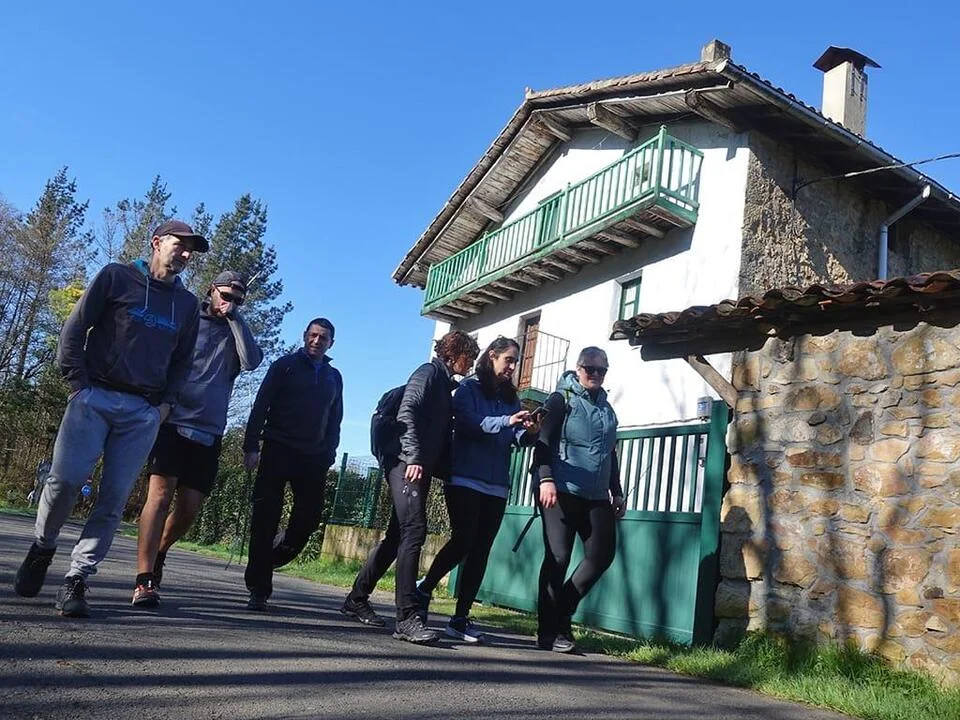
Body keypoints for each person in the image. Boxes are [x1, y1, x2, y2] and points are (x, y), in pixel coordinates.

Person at [14, 220, 206, 617]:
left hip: (142, 412)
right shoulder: (117, 277)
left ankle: (77, 577)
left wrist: (164, 407)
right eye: (180, 244)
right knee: (64, 481)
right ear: (157, 242)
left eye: (192, 249)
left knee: (113, 499)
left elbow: (184, 361)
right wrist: (77, 384)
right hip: (94, 397)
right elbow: (75, 326)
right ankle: (43, 546)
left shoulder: (187, 305)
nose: (186, 253)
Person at [132, 271, 264, 607]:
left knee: (189, 510)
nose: (229, 302)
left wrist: (235, 319)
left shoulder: (237, 330)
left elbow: (252, 362)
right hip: (173, 421)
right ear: (211, 291)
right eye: (225, 295)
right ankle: (144, 579)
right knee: (160, 497)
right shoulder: (189, 318)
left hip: (209, 430)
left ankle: (160, 551)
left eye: (237, 299)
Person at [341, 330, 479, 644]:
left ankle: (356, 599)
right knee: (414, 530)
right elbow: (408, 411)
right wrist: (415, 456)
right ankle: (407, 618)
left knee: (397, 536)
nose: (471, 362)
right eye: (468, 356)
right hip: (405, 462)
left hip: (416, 464)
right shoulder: (428, 373)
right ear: (452, 354)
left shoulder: (444, 384)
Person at [415, 336, 540, 643]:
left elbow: (514, 437)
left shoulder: (511, 397)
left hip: (496, 484)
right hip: (464, 477)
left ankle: (460, 618)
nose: (512, 366)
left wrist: (530, 433)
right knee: (464, 540)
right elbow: (469, 424)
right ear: (492, 357)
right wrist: (506, 420)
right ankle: (424, 589)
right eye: (508, 360)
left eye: (515, 361)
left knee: (481, 549)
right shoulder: (468, 389)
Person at [241, 318, 343, 611]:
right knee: (265, 519)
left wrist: (329, 453)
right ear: (305, 336)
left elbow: (335, 419)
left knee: (308, 518)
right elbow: (261, 405)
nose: (316, 341)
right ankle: (259, 589)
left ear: (331, 343)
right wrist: (251, 446)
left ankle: (270, 558)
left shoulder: (334, 377)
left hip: (313, 457)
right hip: (278, 449)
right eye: (313, 335)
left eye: (323, 338)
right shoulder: (284, 366)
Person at [533, 346, 626, 653]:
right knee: (558, 557)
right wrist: (545, 478)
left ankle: (562, 611)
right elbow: (543, 440)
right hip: (560, 489)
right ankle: (548, 631)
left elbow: (610, 453)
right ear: (578, 368)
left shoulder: (606, 409)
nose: (596, 374)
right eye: (590, 368)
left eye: (602, 370)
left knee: (601, 556)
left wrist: (617, 491)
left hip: (596, 494)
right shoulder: (561, 399)